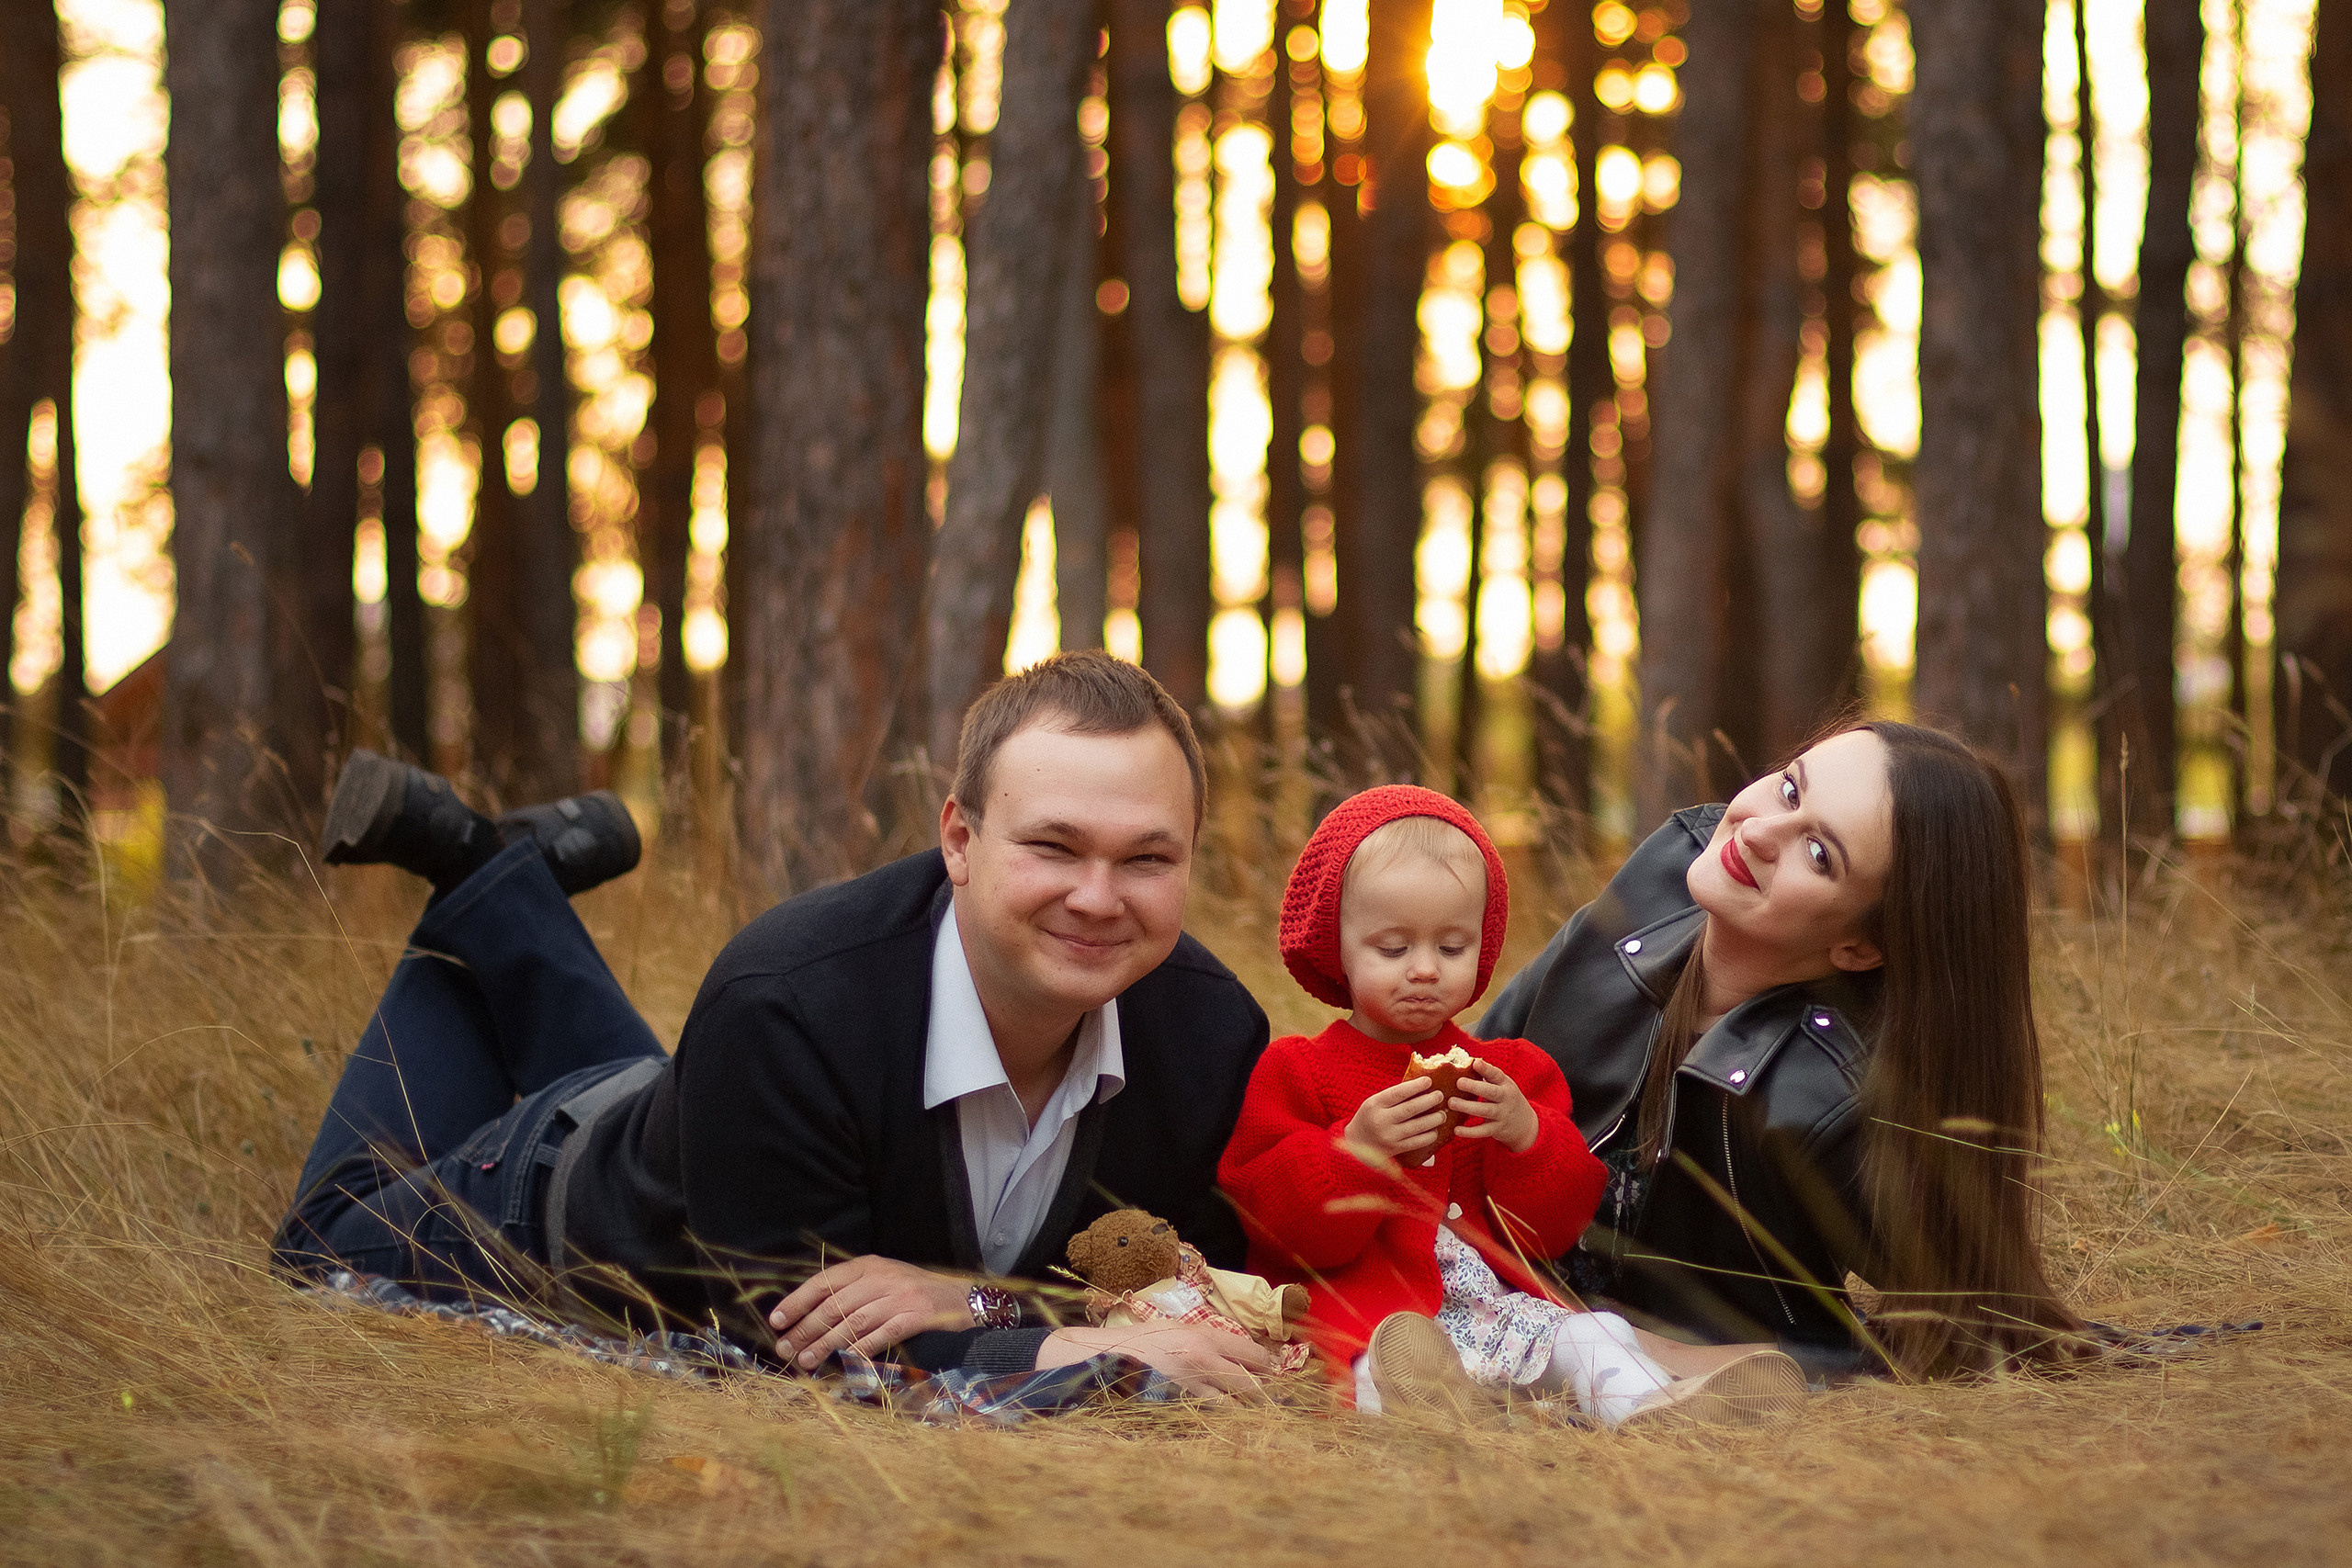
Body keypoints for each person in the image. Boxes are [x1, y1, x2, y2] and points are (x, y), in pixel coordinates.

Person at [272, 651, 1275, 1393]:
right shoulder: (787, 1006)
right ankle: (483, 879)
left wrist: (961, 1298)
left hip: (706, 1120)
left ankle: (502, 879)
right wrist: (1053, 1333)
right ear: (959, 839)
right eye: (1054, 846)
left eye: (1146, 859)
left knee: (704, 1082)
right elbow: (795, 1344)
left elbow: (1189, 1293)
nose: (1099, 899)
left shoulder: (1210, 1039)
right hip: (552, 1190)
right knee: (313, 1253)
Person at [1476, 720, 2088, 1383]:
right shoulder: (1651, 889)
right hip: (1470, 1282)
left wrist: (1667, 1352)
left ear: (1859, 947)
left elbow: (1967, 1328)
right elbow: (1471, 1061)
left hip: (1626, 1365)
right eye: (1790, 789)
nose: (1758, 832)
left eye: (1820, 854)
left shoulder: (1830, 1092)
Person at [1217, 785, 1810, 1426]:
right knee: (1386, 1359)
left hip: (1500, 1312)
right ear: (1338, 945)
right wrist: (1354, 1151)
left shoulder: (1512, 1072)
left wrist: (1527, 1138)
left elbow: (1552, 1231)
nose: (1424, 969)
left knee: (1593, 1334)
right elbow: (1273, 1220)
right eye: (1393, 948)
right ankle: (1430, 1408)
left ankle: (1651, 1407)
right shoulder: (1298, 1070)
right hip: (1371, 1318)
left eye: (1451, 947)